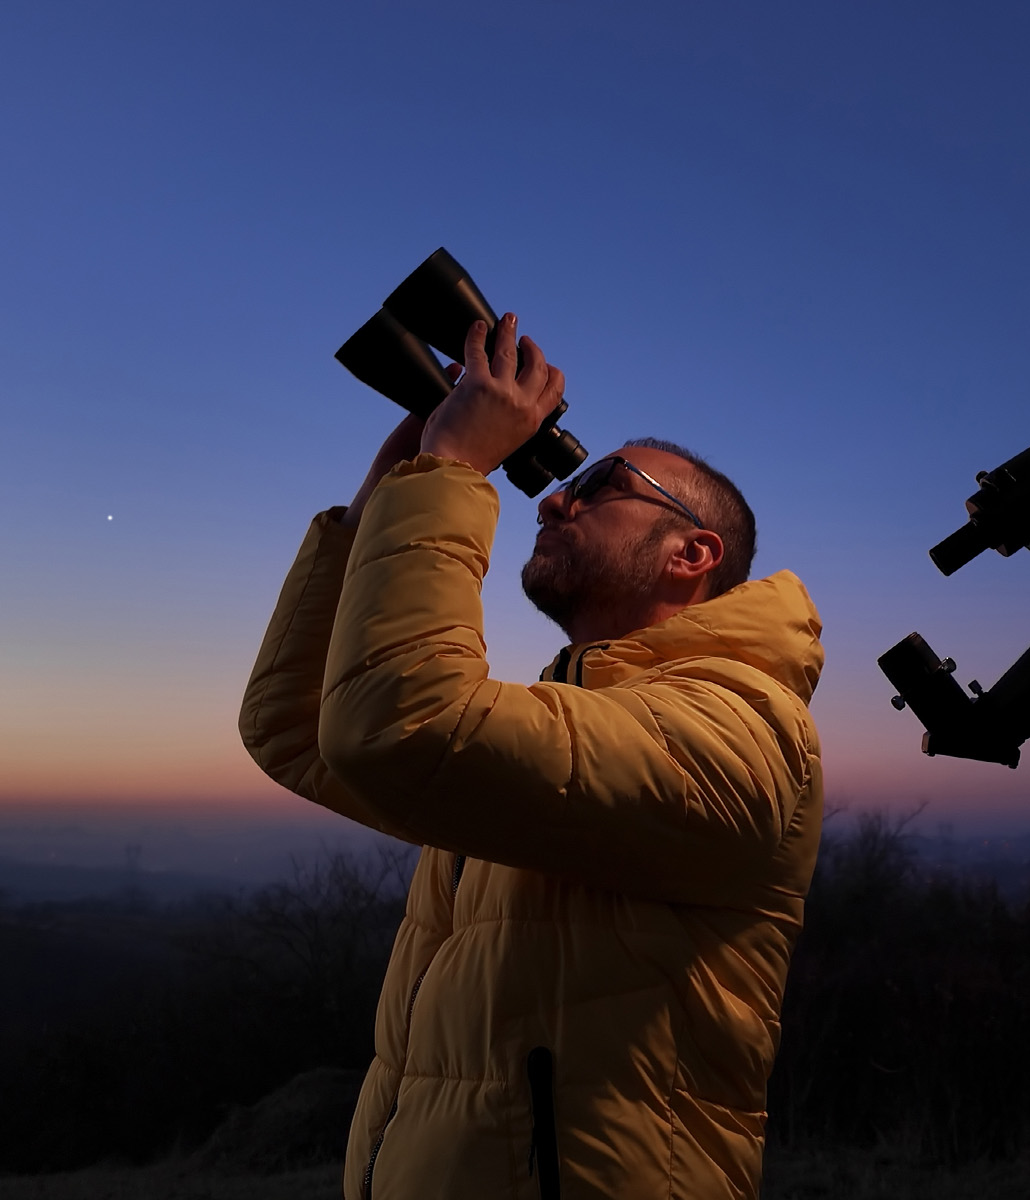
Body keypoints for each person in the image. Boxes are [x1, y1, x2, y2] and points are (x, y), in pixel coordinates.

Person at [239, 312, 825, 1200]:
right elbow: (296, 729)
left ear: (692, 553)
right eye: (564, 483)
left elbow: (399, 723)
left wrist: (455, 472)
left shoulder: (741, 728)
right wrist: (388, 492)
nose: (553, 497)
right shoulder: (566, 724)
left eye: (603, 485)